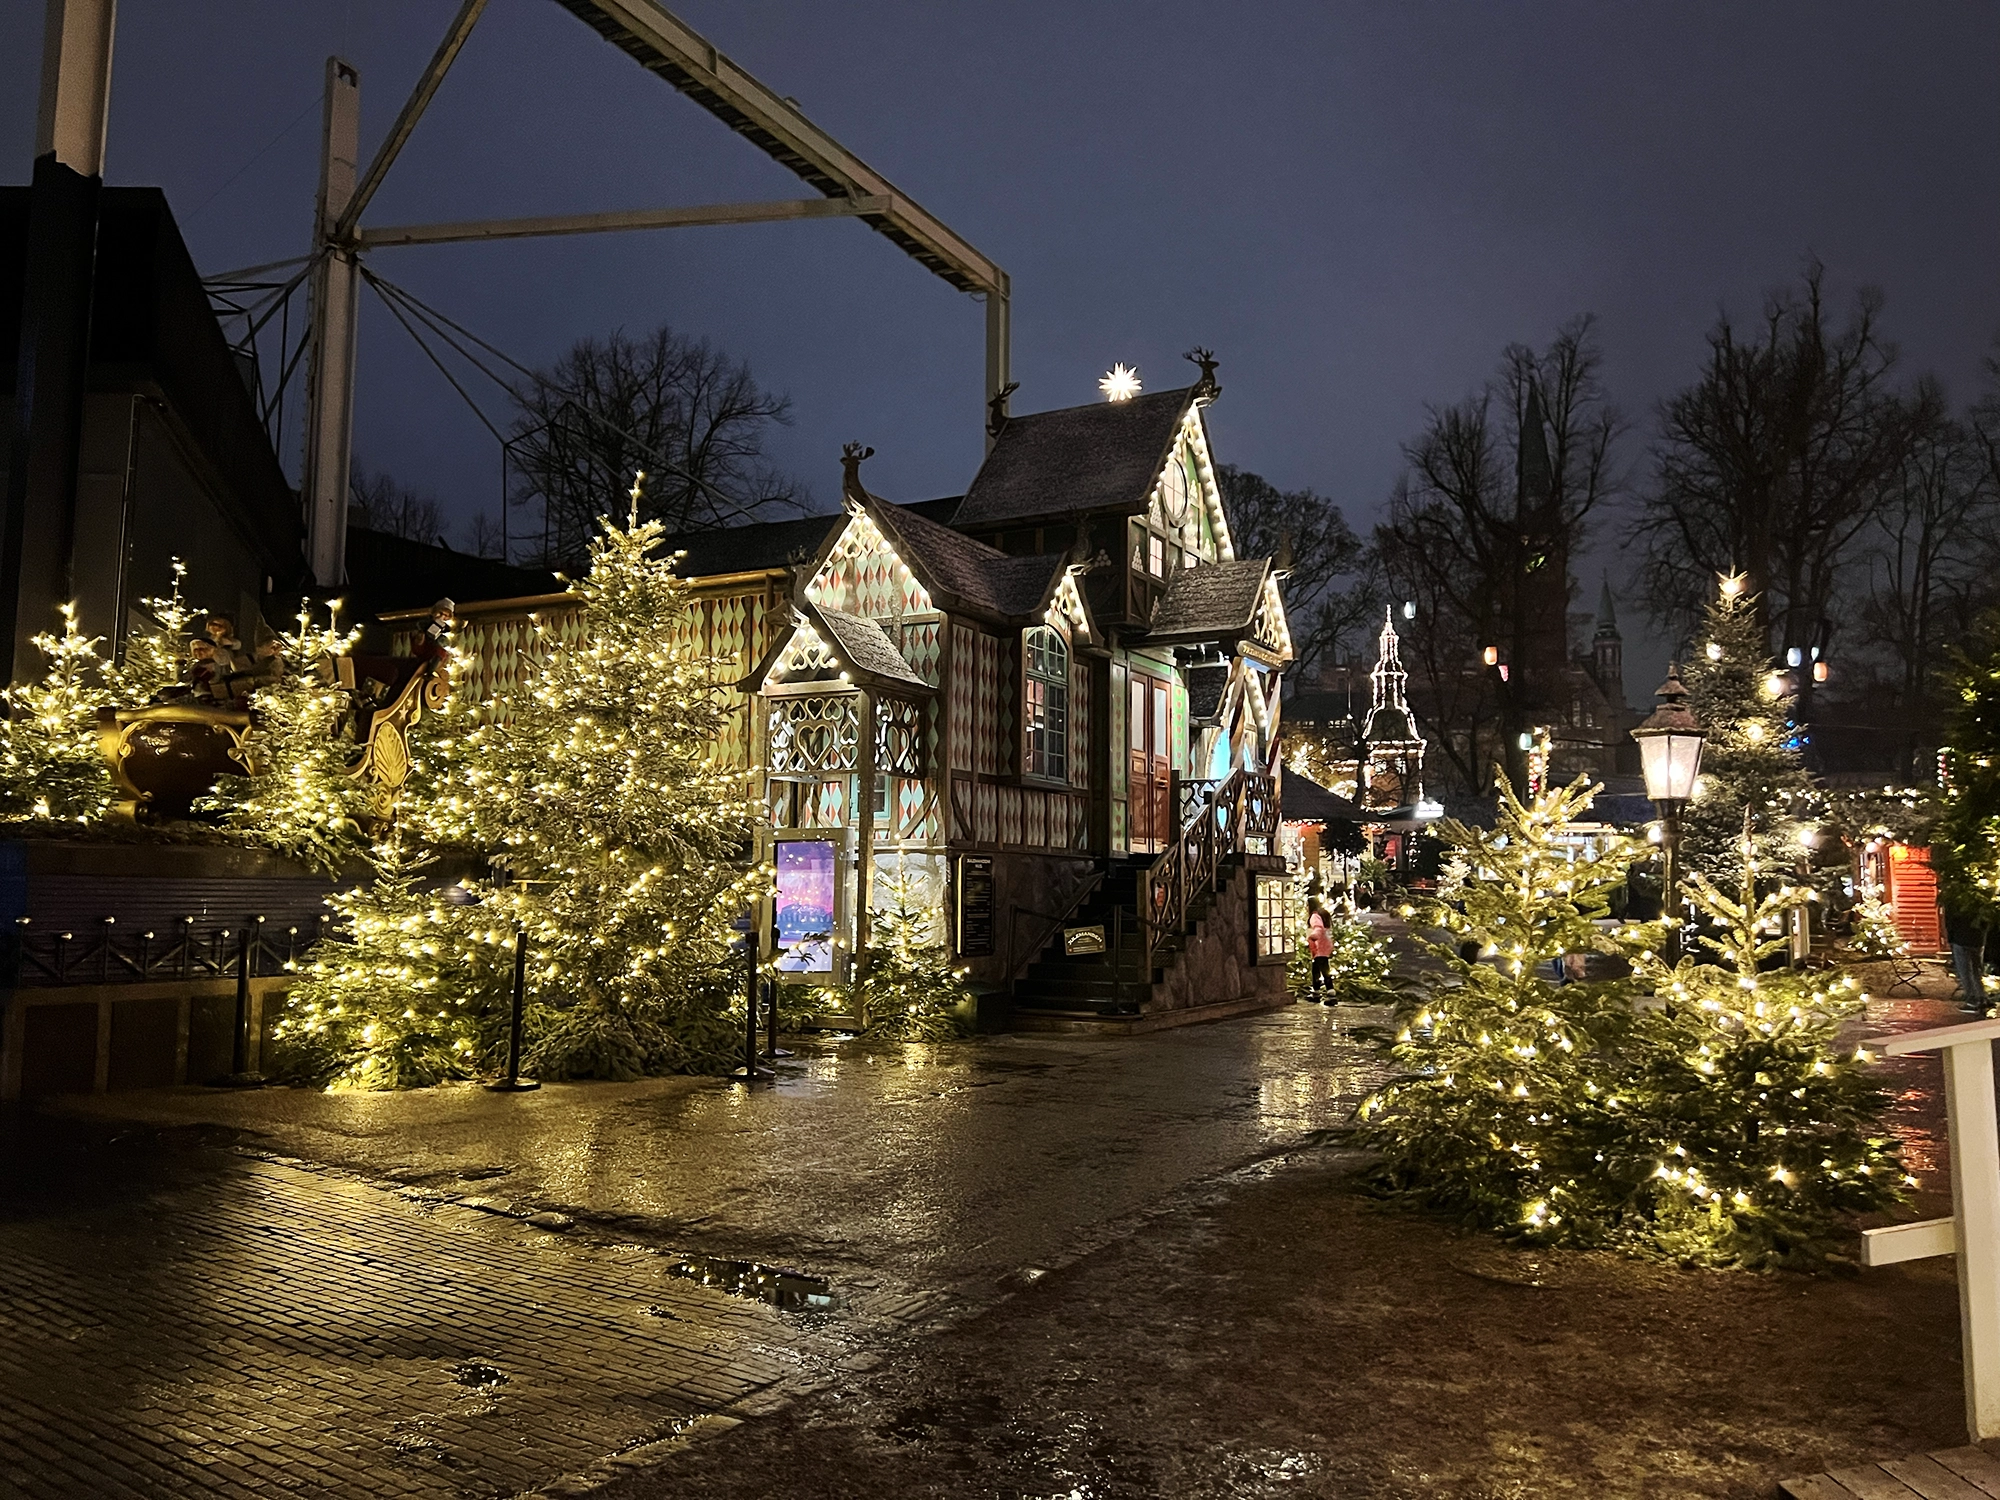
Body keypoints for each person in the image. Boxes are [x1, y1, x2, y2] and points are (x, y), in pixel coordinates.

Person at [1945, 892, 1988, 1014]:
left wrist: (1950, 938)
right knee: (1976, 970)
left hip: (1961, 939)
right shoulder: (1982, 898)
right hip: (1978, 940)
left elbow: (1951, 922)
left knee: (1965, 971)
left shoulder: (1954, 899)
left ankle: (1972, 1000)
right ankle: (1981, 997)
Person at [1307, 904, 1335, 1001]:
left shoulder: (1315, 916)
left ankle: (1322, 992)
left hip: (1319, 946)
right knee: (1323, 969)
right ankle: (1326, 992)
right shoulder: (1323, 914)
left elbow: (1318, 928)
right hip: (1325, 945)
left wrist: (1313, 937)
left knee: (1318, 971)